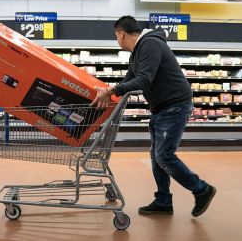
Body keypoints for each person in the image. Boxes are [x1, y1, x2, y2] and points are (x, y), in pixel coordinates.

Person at [91, 15, 216, 217]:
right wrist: (109, 91)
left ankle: (202, 189)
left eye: (116, 36)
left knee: (164, 155)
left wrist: (112, 91)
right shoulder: (137, 52)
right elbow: (129, 79)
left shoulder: (150, 45)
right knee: (157, 157)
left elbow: (143, 80)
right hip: (162, 107)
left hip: (174, 105)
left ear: (121, 34)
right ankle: (163, 201)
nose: (117, 39)